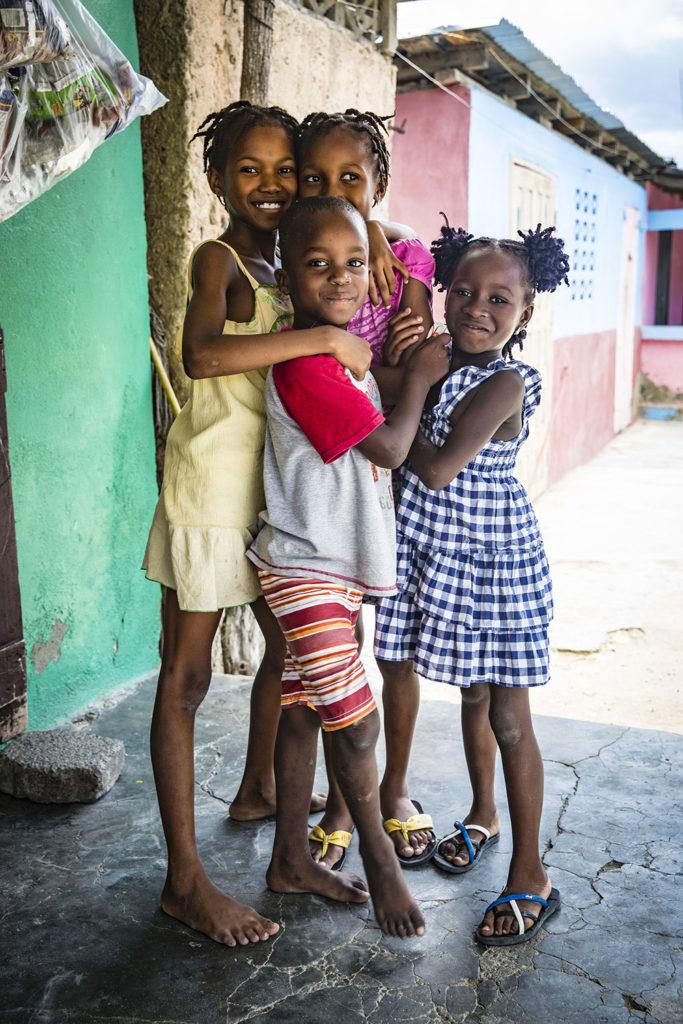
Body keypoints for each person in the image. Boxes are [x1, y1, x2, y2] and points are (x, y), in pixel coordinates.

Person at [141, 100, 372, 947]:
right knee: (188, 679)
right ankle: (185, 882)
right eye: (250, 169)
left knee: (290, 660)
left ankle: (269, 816)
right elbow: (202, 355)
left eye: (287, 171)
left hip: (270, 500)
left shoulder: (288, 269)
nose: (271, 185)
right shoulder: (221, 259)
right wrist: (314, 339)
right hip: (208, 494)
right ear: (215, 178)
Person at [247, 196, 450, 937]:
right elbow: (391, 450)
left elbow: (406, 239)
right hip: (306, 567)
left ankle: (290, 861)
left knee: (305, 711)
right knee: (356, 727)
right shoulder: (305, 363)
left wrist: (389, 248)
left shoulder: (331, 350)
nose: (340, 277)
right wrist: (423, 374)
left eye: (354, 263)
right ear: (287, 277)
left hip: (330, 565)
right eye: (317, 263)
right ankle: (381, 862)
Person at [374, 219, 570, 945]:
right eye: (462, 290)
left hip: (490, 564)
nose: (477, 309)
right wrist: (414, 376)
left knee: (508, 717)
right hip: (431, 555)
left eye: (499, 299)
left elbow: (430, 466)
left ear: (524, 313)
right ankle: (483, 815)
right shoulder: (431, 358)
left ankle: (530, 873)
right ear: (441, 291)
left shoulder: (506, 380)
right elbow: (388, 238)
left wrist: (412, 386)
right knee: (472, 693)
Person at [296, 108, 439, 869]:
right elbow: (387, 372)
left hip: (391, 474)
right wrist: (381, 374)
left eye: (351, 177)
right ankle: (347, 808)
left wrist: (382, 375)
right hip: (324, 474)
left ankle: (393, 790)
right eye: (314, 178)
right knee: (337, 655)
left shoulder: (403, 255)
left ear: (378, 181)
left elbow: (418, 360)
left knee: (397, 646)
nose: (333, 190)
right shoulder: (302, 258)